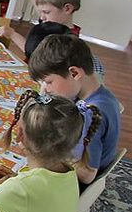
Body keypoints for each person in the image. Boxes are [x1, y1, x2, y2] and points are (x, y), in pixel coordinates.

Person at [28, 34, 119, 185]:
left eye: (48, 82)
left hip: (75, 185)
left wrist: (46, 151)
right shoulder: (103, 95)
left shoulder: (89, 114)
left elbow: (87, 174)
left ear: (75, 73)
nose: (44, 90)